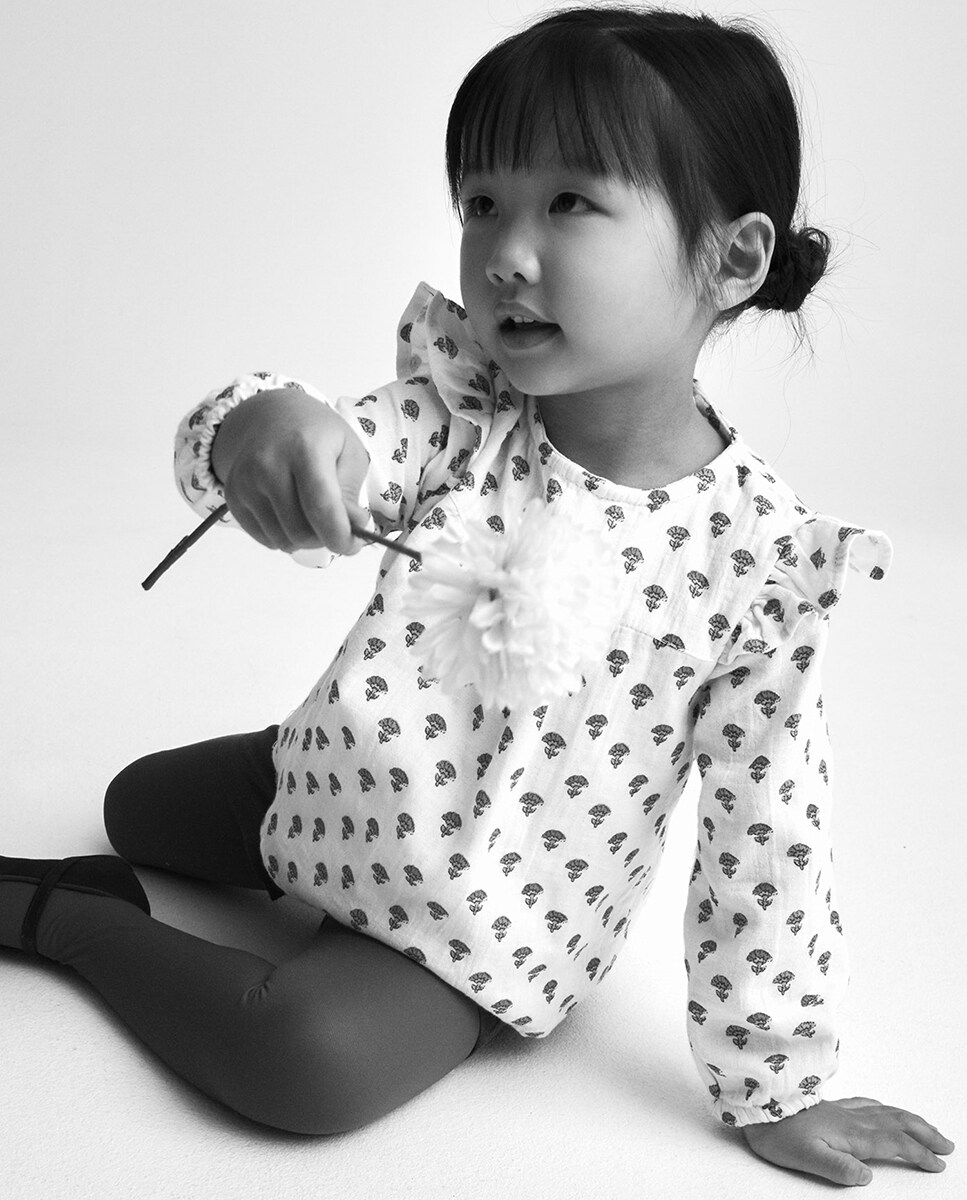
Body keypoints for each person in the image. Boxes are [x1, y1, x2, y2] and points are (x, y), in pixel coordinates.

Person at [1, 4, 954, 1185]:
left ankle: (73, 920)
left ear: (732, 259)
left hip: (479, 915)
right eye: (482, 203)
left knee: (303, 1063)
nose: (504, 251)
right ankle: (305, 777)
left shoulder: (757, 567)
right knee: (133, 804)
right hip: (338, 789)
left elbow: (769, 834)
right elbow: (318, 442)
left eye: (571, 202)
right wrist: (263, 428)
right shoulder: (463, 416)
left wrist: (777, 1085)